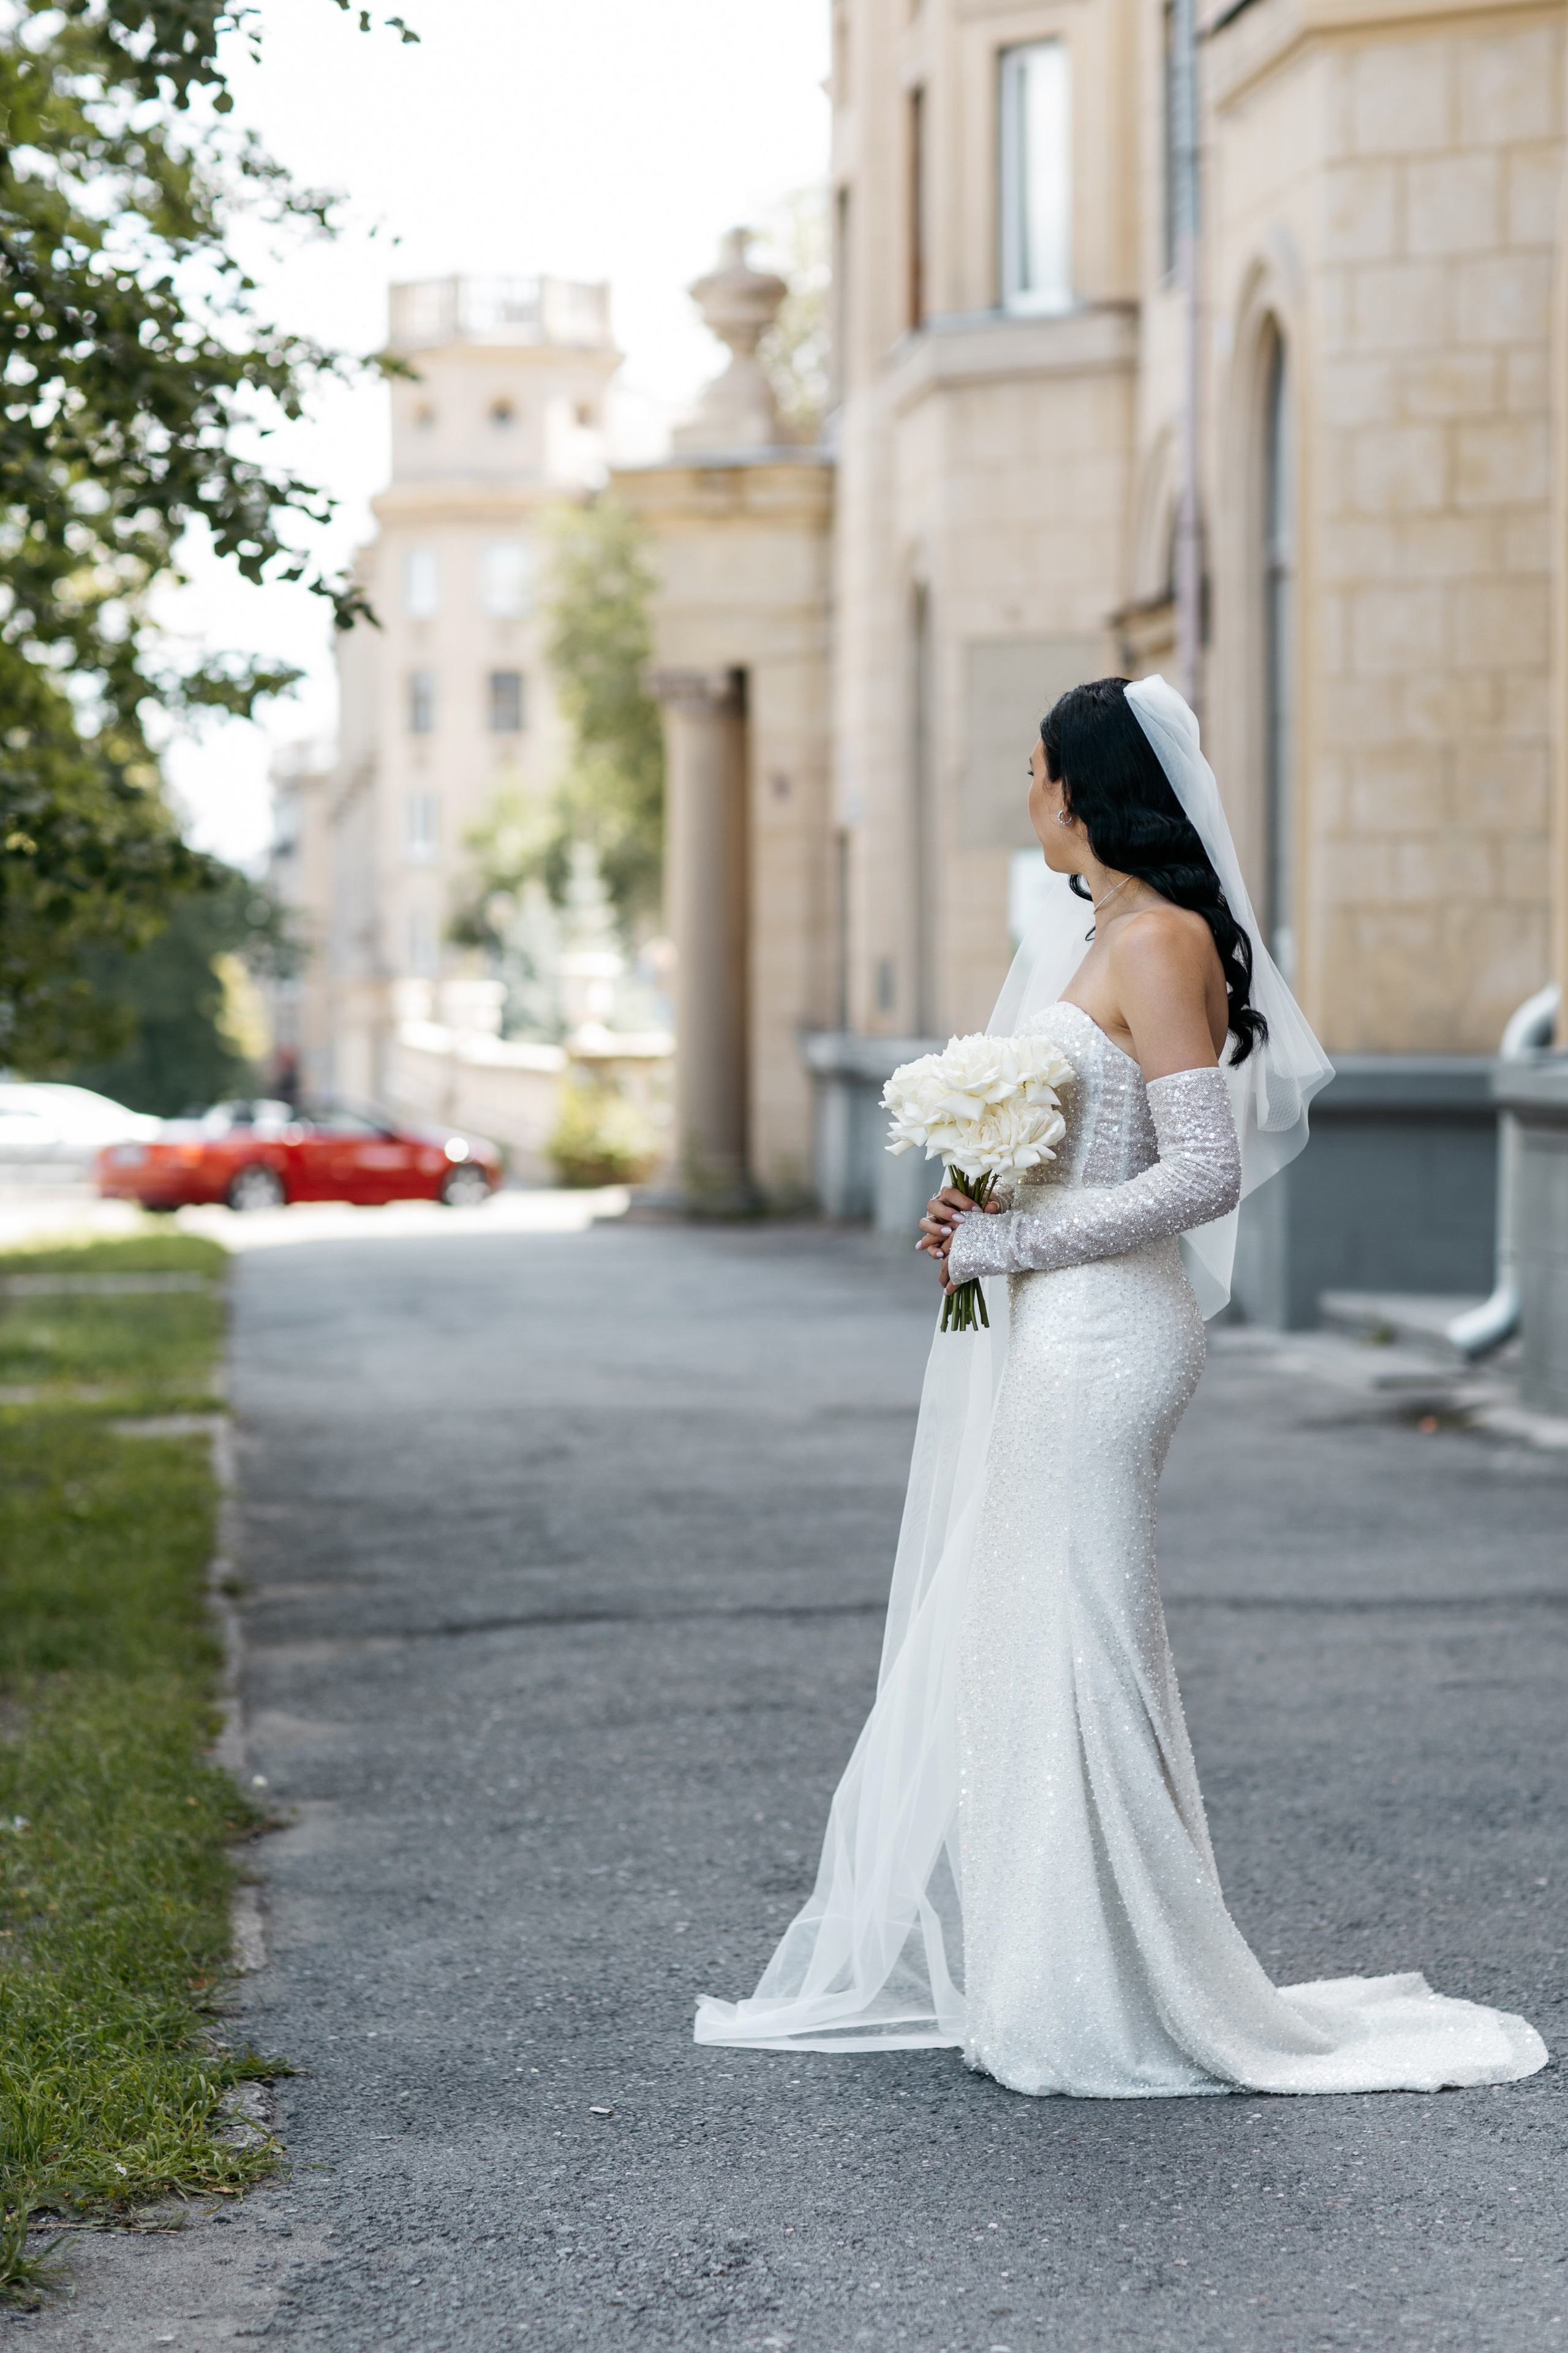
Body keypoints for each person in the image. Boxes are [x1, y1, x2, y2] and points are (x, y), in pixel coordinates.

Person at [695, 674, 1546, 2098]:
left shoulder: (1155, 942)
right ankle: (1060, 1969)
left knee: (1077, 1630)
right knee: (1037, 1625)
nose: (1025, 794)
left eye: (1037, 769)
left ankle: (1120, 1989)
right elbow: (1088, 1142)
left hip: (1105, 1337)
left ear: (1088, 789)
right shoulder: (1102, 933)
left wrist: (1011, 1237)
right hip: (1057, 1316)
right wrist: (984, 1202)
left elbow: (1200, 1173)